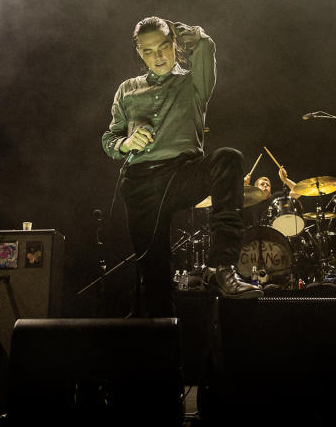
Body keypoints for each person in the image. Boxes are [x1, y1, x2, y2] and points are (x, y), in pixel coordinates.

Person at [103, 17, 262, 317]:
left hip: (181, 173)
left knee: (227, 157)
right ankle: (162, 352)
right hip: (139, 184)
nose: (158, 56)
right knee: (155, 278)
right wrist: (126, 143)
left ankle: (221, 266)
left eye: (164, 47)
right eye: (148, 51)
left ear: (174, 44)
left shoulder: (193, 82)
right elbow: (109, 137)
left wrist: (191, 34)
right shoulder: (127, 90)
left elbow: (207, 46)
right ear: (138, 52)